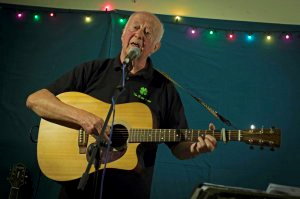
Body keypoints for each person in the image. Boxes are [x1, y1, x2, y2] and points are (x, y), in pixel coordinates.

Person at [26, 11, 217, 199]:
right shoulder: (93, 70)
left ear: (155, 47)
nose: (139, 34)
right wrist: (83, 118)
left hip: (130, 192)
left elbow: (179, 146)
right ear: (123, 34)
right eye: (135, 27)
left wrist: (194, 149)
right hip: (77, 190)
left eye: (147, 32)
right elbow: (35, 100)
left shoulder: (164, 88)